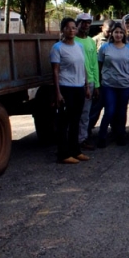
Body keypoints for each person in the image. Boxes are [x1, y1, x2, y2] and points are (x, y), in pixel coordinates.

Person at [50, 17, 91, 164]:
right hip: (66, 88)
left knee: (76, 120)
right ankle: (63, 154)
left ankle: (76, 151)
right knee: (64, 122)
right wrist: (58, 93)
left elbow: (83, 67)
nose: (72, 30)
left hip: (79, 87)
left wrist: (86, 86)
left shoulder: (79, 46)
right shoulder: (57, 48)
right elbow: (55, 71)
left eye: (74, 27)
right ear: (63, 30)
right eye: (68, 28)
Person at [96, 22, 129, 147]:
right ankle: (102, 136)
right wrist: (99, 82)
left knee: (122, 111)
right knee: (110, 111)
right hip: (109, 85)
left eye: (120, 32)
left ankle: (121, 135)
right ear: (111, 34)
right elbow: (99, 65)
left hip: (125, 85)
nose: (118, 35)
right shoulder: (105, 48)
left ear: (124, 34)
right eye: (116, 32)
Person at [74, 13, 100, 151]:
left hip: (89, 82)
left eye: (88, 22)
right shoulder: (73, 41)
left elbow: (94, 63)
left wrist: (96, 84)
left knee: (85, 113)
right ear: (77, 23)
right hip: (75, 83)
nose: (85, 25)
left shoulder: (90, 41)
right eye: (83, 22)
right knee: (74, 113)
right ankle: (72, 140)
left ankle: (82, 139)